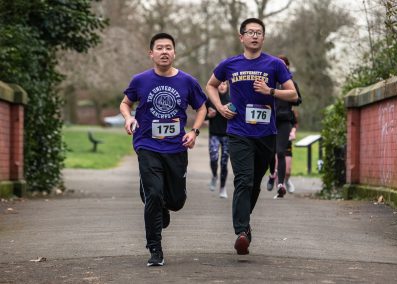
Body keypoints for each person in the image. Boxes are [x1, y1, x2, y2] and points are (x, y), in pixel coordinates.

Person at [205, 18, 298, 255]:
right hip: (238, 132)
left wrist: (271, 91)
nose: (254, 36)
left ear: (263, 38)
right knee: (243, 180)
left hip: (266, 134)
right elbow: (211, 85)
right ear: (241, 37)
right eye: (250, 32)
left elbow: (293, 94)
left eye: (259, 32)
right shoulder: (230, 64)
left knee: (254, 184)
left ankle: (245, 226)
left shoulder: (275, 64)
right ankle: (241, 232)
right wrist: (220, 106)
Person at [120, 32, 207, 267]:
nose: (164, 51)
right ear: (151, 53)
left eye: (169, 48)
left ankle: (161, 204)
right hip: (147, 144)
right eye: (159, 48)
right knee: (154, 195)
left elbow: (202, 108)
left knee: (176, 201)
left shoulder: (187, 81)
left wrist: (194, 131)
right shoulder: (140, 80)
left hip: (176, 147)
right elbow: (125, 102)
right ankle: (155, 248)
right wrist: (128, 118)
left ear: (175, 53)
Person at [266, 55, 302, 197]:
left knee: (280, 152)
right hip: (269, 120)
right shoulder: (269, 81)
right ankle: (271, 174)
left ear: (287, 66)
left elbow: (298, 99)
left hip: (284, 121)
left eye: (283, 64)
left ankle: (280, 184)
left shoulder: (291, 83)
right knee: (270, 152)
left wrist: (286, 97)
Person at [206, 81, 230, 198]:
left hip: (227, 135)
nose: (221, 86)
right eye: (220, 84)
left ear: (227, 86)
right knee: (214, 158)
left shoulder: (232, 98)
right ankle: (214, 175)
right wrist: (208, 115)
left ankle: (222, 188)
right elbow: (203, 113)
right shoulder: (211, 98)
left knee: (224, 163)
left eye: (224, 84)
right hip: (214, 134)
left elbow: (238, 113)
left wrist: (230, 112)